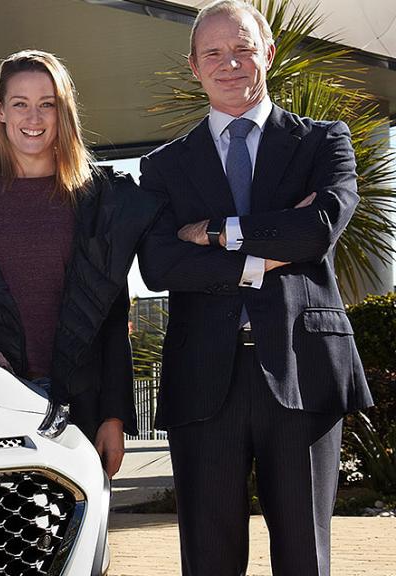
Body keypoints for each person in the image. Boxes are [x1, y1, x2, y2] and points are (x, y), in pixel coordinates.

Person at [137, 1, 374, 574]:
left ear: (267, 54)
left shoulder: (322, 142)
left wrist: (220, 232)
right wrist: (261, 259)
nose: (230, 63)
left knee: (303, 557)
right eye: (213, 53)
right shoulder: (164, 166)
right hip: (203, 380)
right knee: (210, 559)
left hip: (304, 369)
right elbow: (161, 265)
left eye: (243, 48)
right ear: (194, 66)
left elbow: (317, 229)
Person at [0, 50, 163, 477]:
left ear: (63, 112)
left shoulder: (102, 201)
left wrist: (114, 417)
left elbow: (112, 317)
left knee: (78, 539)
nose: (33, 117)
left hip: (81, 405)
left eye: (47, 104)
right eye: (19, 103)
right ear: (0, 111)